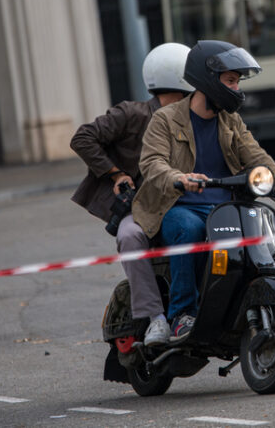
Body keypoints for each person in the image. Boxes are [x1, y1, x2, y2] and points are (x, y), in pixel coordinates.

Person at [134, 40, 275, 342]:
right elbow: (151, 163)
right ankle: (182, 315)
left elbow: (259, 159)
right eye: (230, 80)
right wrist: (179, 178)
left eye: (237, 81)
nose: (236, 87)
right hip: (180, 206)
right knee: (188, 230)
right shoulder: (165, 119)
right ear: (208, 80)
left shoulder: (231, 121)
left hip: (227, 208)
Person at [69, 42, 193, 347]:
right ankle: (156, 319)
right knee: (129, 237)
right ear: (180, 80)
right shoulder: (132, 114)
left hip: (184, 205)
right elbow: (82, 137)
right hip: (139, 210)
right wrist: (115, 173)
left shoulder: (194, 118)